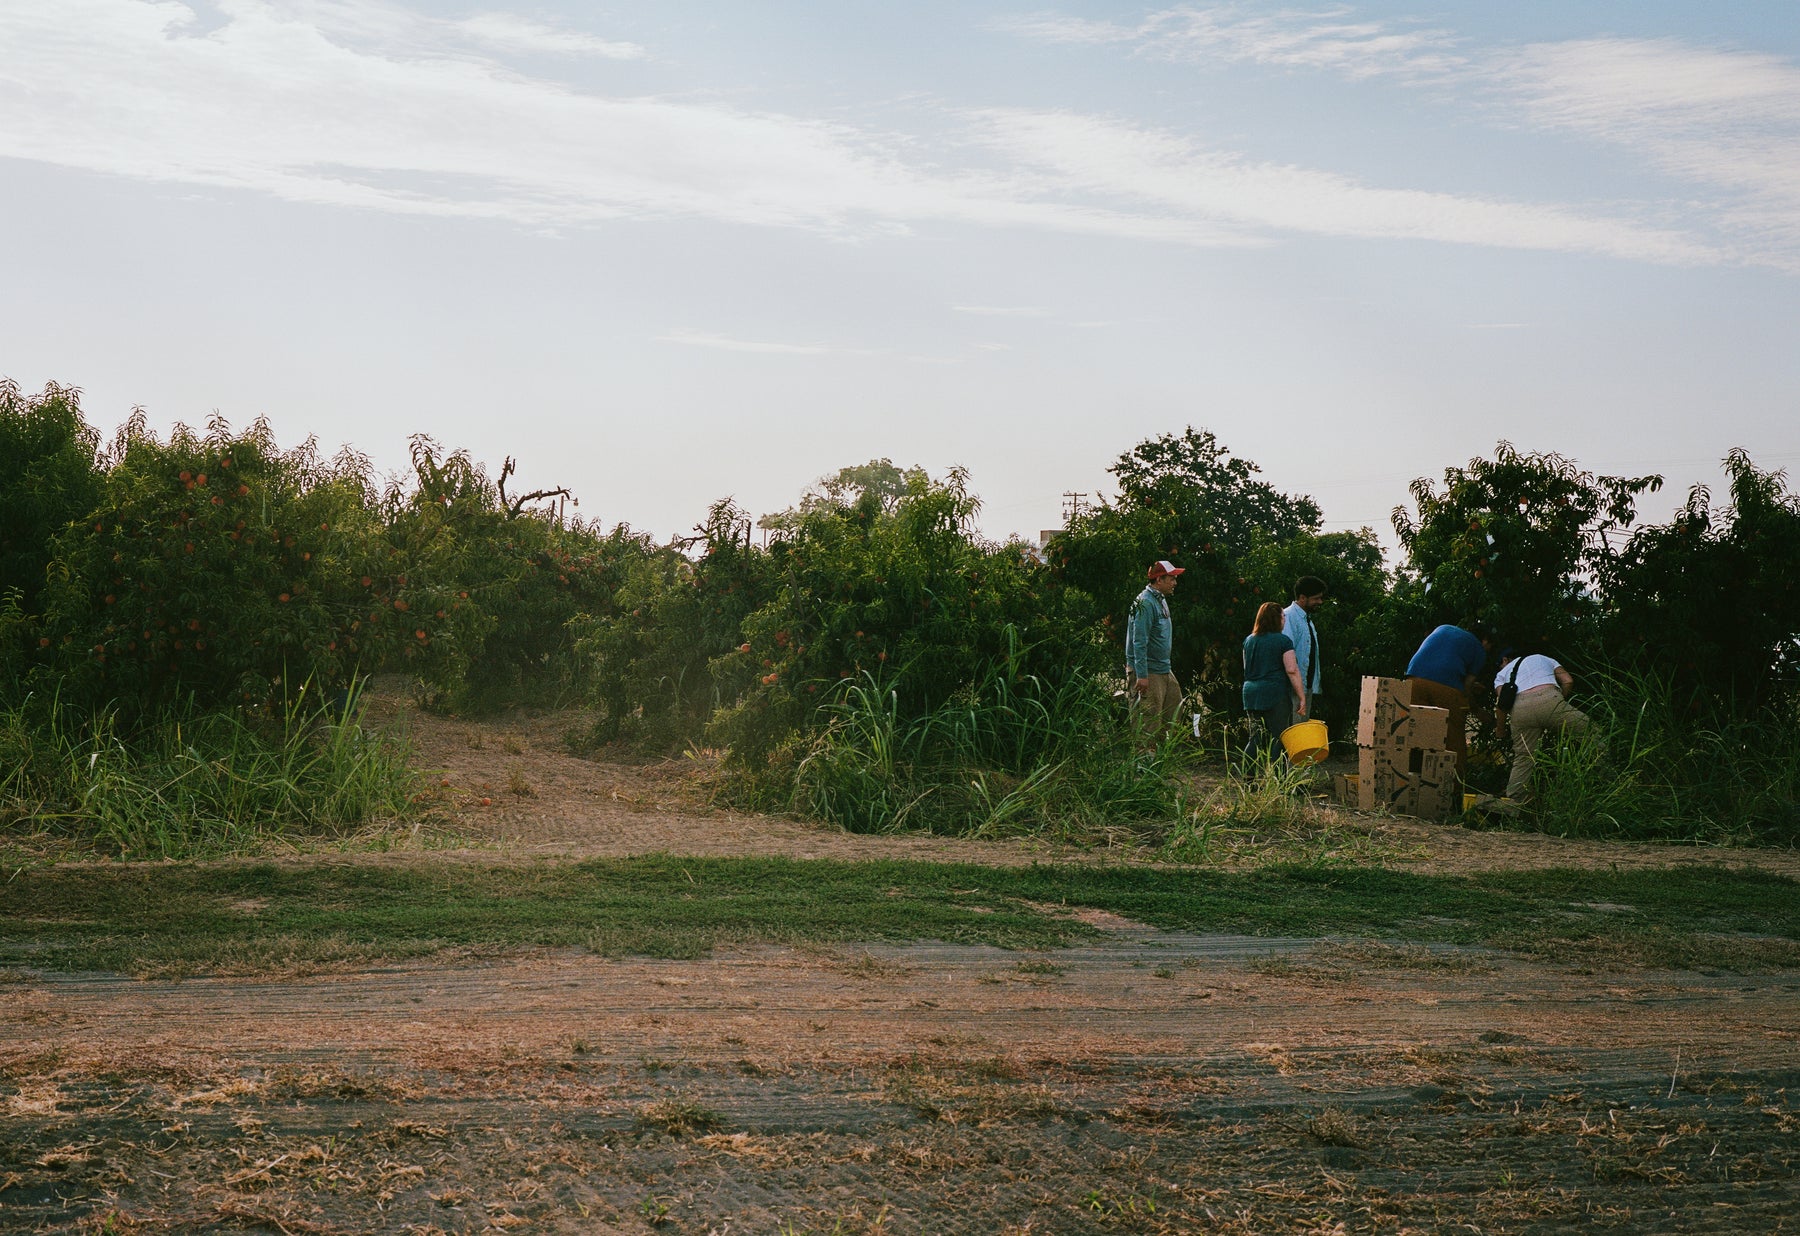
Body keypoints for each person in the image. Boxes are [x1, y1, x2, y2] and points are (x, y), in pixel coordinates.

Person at [1494, 649, 1592, 801]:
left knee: (1524, 756)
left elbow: (1502, 704)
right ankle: (1606, 779)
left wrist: (1500, 730)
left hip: (1520, 710)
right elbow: (1568, 681)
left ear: (1505, 660)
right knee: (1591, 734)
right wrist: (1556, 703)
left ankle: (1515, 799)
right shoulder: (1543, 658)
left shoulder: (1502, 674)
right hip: (1550, 699)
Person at [1404, 623, 1495, 778]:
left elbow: (1436, 666)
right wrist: (1478, 711)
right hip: (1445, 687)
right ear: (1485, 640)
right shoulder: (1479, 649)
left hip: (1413, 680)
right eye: (1489, 647)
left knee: (1417, 734)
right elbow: (1466, 687)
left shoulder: (1443, 628)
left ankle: (1411, 780)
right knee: (1453, 738)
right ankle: (1454, 785)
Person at [1126, 559, 1184, 741]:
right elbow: (1139, 641)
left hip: (1163, 668)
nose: (1175, 583)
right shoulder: (1145, 603)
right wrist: (1142, 675)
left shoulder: (1160, 600)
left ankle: (1163, 755)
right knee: (1148, 722)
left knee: (1173, 714)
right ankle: (1144, 757)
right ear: (1159, 580)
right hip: (1149, 671)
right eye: (1171, 579)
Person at [1242, 601, 1307, 761]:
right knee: (1280, 737)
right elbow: (1292, 669)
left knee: (1255, 737)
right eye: (1283, 616)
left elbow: (1246, 667)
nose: (1284, 620)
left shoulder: (1249, 640)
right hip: (1274, 693)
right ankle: (1278, 775)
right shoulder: (1283, 641)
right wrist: (1301, 696)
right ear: (1276, 619)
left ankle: (1248, 775)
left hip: (1251, 693)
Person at [1283, 575, 1326, 719]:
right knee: (1292, 730)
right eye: (1316, 598)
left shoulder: (1306, 619)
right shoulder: (1288, 617)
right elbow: (1286, 656)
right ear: (1302, 598)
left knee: (1302, 730)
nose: (1320, 602)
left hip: (1305, 687)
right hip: (1292, 690)